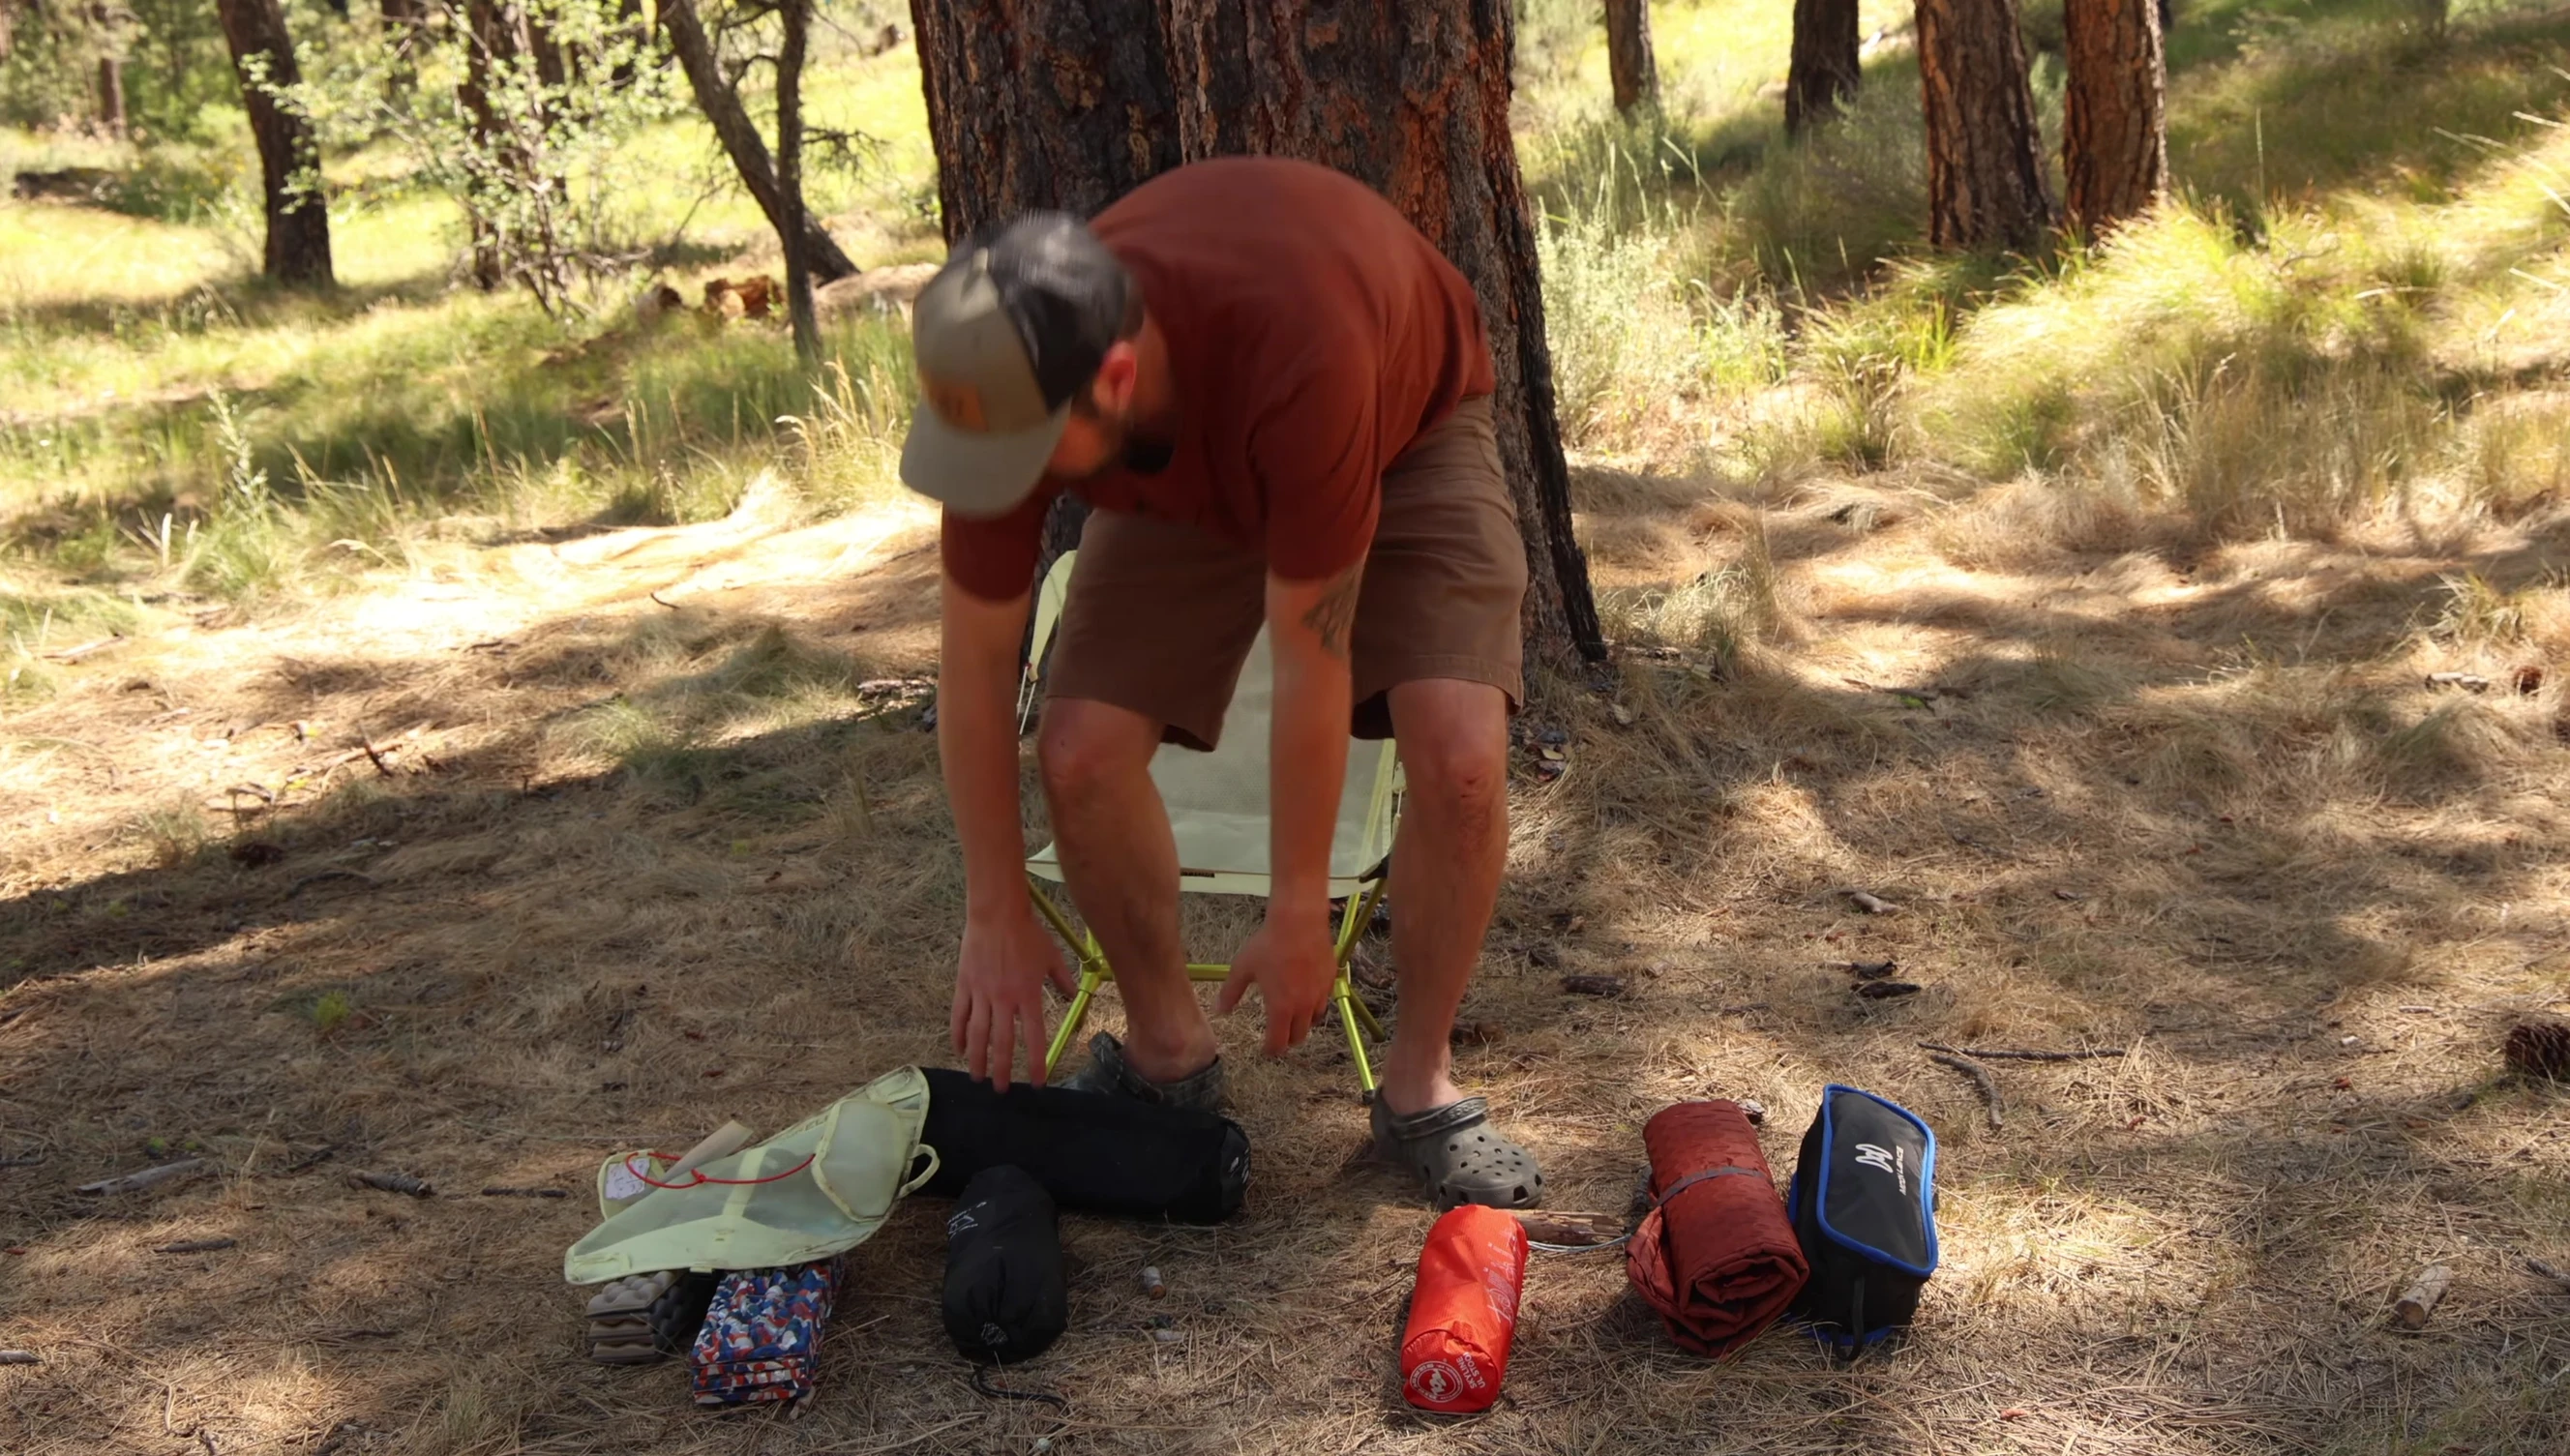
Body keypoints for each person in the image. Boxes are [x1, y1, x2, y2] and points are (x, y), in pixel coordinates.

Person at [898, 156, 1542, 1209]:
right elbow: (974, 667)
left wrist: (1298, 905)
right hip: (1175, 468)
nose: (997, 487)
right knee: (1080, 752)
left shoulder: (1302, 352)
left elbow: (1311, 655)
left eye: (1017, 458)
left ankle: (1418, 1085)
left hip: (1397, 431)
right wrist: (993, 902)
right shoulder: (1005, 399)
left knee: (1461, 759)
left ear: (1109, 377)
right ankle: (1167, 1056)